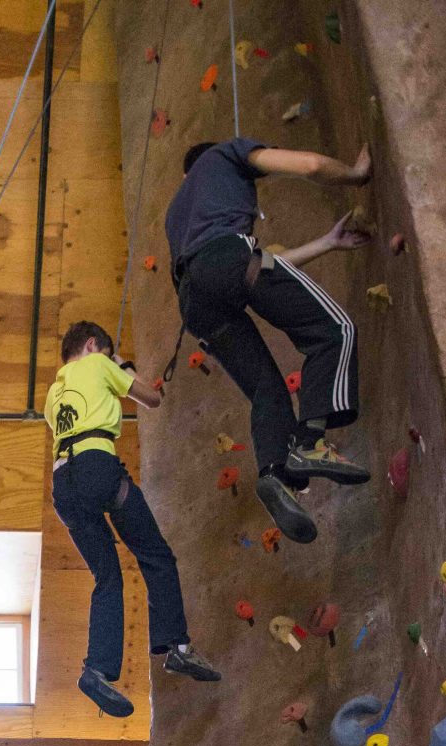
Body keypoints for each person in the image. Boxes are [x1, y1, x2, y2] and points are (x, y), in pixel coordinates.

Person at [166, 137, 374, 544]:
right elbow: (311, 162)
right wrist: (356, 174)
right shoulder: (225, 154)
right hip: (229, 259)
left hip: (195, 303)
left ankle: (275, 473)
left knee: (266, 391)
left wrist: (326, 244)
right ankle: (310, 442)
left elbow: (247, 269)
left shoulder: (177, 212)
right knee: (335, 331)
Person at [45, 320, 220, 718]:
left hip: (63, 486)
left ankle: (97, 670)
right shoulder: (98, 363)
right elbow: (151, 398)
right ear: (92, 345)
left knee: (106, 578)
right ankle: (176, 646)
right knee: (155, 555)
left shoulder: (53, 394)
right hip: (96, 467)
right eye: (103, 351)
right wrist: (120, 362)